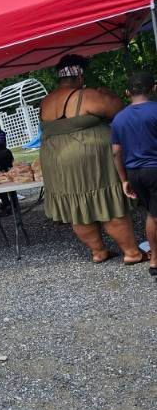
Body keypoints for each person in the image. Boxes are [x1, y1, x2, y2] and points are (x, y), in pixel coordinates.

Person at [40, 54, 144, 265]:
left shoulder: (46, 101)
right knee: (109, 204)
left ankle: (98, 252)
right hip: (88, 158)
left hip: (56, 160)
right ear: (79, 76)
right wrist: (109, 94)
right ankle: (132, 253)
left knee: (77, 208)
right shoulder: (87, 95)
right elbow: (117, 110)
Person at [111, 71, 157, 275]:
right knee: (154, 215)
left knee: (152, 213)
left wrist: (123, 180)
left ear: (127, 92)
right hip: (155, 169)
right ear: (154, 88)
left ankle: (155, 259)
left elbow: (116, 152)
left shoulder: (119, 119)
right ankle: (155, 260)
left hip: (134, 172)